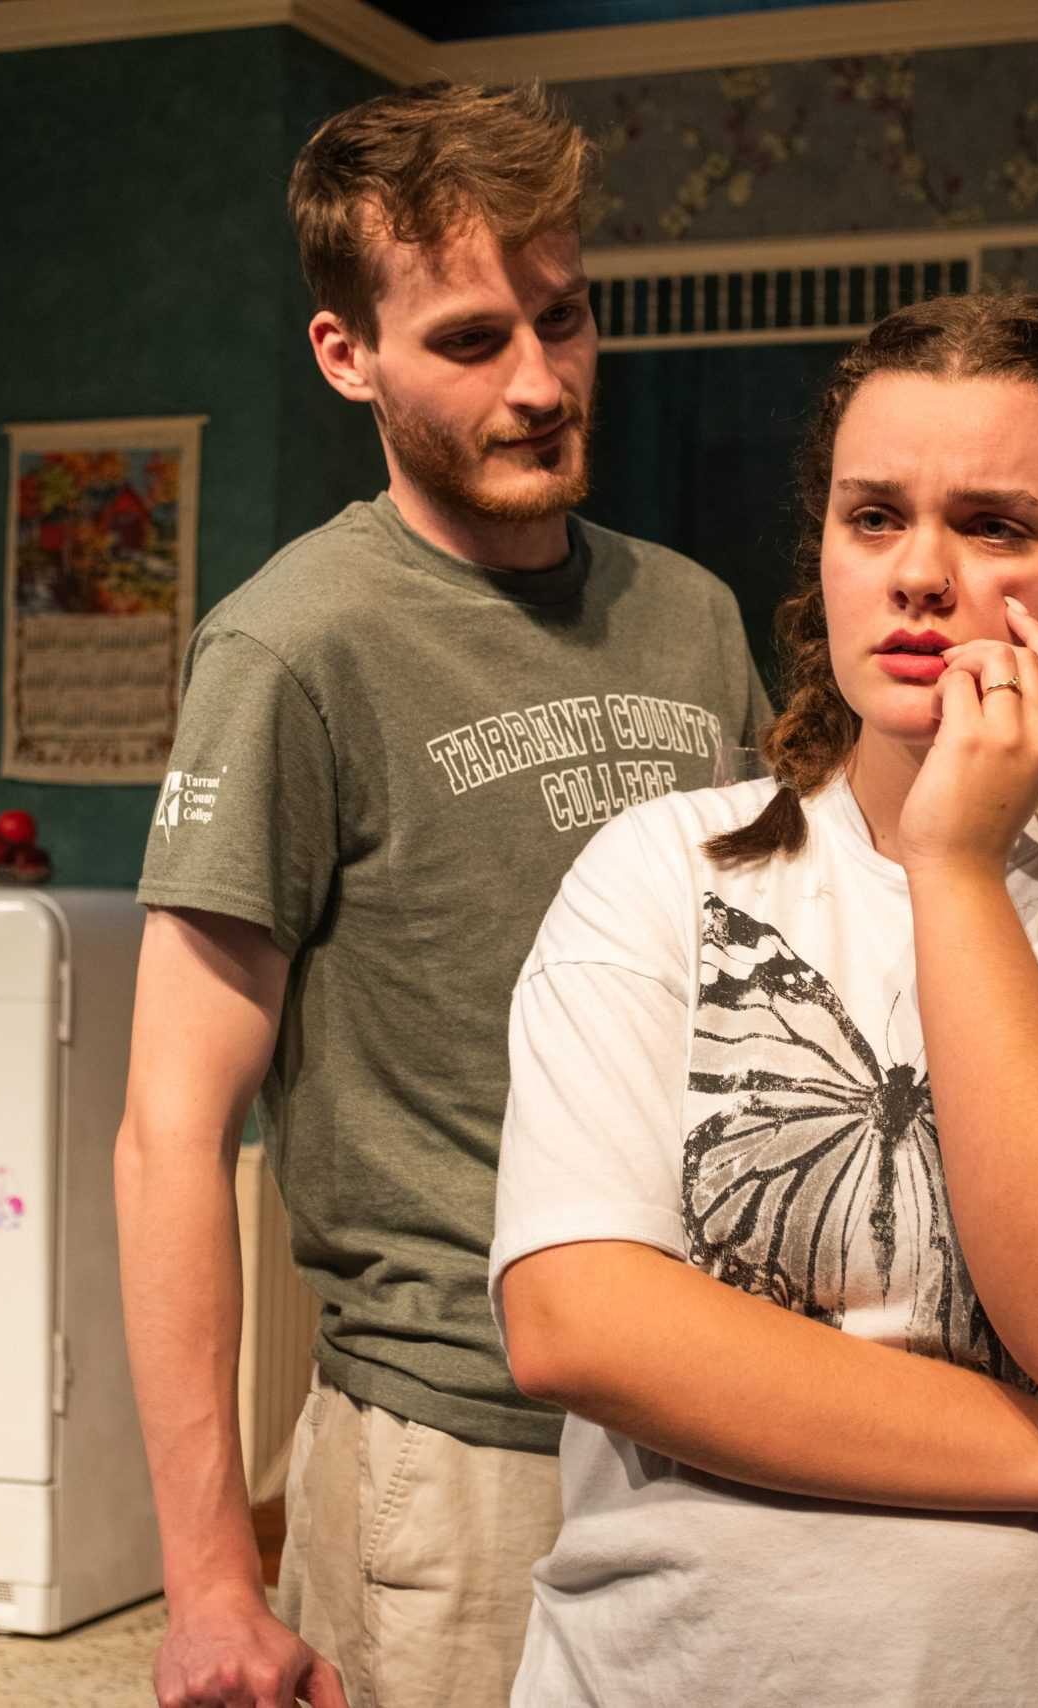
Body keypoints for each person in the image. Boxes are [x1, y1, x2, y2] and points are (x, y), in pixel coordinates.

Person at [493, 291, 1038, 1704]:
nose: (921, 575)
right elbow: (582, 1323)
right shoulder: (665, 868)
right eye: (874, 517)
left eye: (997, 526)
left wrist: (955, 871)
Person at [117, 81, 770, 1708]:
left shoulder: (691, 620)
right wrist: (208, 1583)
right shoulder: (295, 648)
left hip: (730, 1414)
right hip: (457, 1457)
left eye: (566, 321)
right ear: (351, 358)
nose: (542, 384)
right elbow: (167, 1130)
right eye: (475, 340)